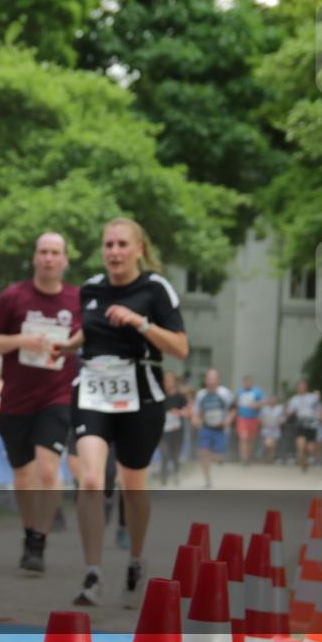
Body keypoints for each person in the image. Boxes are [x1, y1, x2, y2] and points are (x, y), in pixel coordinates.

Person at [50, 217, 188, 608]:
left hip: (141, 396)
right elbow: (91, 331)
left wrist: (140, 322)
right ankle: (92, 573)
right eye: (108, 244)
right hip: (93, 390)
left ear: (138, 249)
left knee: (132, 486)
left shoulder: (155, 289)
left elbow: (180, 348)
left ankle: (136, 559)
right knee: (91, 480)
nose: (114, 252)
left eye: (122, 245)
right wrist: (66, 346)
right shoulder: (91, 288)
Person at [0, 233, 81, 573]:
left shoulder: (76, 299)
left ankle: (40, 540)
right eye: (43, 252)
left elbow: (88, 341)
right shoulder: (13, 297)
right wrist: (22, 339)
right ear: (34, 257)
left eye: (56, 253)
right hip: (16, 400)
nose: (49, 259)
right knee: (23, 475)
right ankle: (29, 533)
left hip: (57, 396)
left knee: (48, 468)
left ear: (66, 260)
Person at [160, 371, 189, 485]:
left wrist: (179, 412)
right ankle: (164, 481)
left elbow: (189, 412)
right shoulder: (160, 396)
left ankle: (176, 473)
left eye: (169, 380)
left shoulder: (180, 397)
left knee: (174, 457)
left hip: (177, 432)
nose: (167, 383)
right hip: (162, 432)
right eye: (165, 380)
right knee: (165, 455)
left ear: (174, 382)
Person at [286, 380, 321, 472]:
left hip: (311, 424)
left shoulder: (312, 397)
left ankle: (306, 459)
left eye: (303, 386)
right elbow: (290, 412)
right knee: (300, 446)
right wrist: (288, 411)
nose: (301, 388)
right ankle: (302, 458)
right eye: (299, 386)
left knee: (309, 448)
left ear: (306, 387)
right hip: (300, 423)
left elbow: (318, 409)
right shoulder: (294, 399)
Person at [234, 375, 264, 466]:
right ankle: (243, 458)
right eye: (245, 382)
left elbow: (263, 402)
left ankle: (248, 458)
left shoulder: (257, 391)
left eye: (249, 382)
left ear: (252, 383)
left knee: (250, 439)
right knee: (243, 438)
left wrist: (256, 405)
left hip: (253, 418)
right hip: (242, 418)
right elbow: (235, 404)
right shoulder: (239, 392)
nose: (247, 383)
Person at [259, 395, 285, 464]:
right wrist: (264, 423)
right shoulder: (264, 409)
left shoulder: (280, 408)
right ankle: (268, 457)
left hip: (275, 429)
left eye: (273, 400)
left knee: (273, 445)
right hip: (266, 429)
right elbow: (260, 418)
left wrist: (278, 422)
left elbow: (282, 419)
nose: (272, 401)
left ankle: (270, 458)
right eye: (271, 400)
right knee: (268, 444)